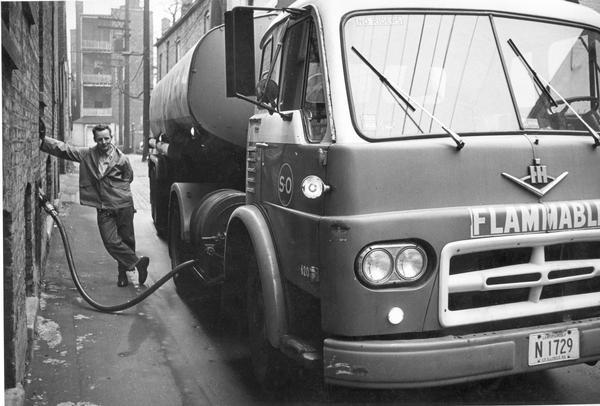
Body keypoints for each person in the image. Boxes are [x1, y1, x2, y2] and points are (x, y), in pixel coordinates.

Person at [40, 124, 149, 287]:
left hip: (123, 204)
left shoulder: (123, 159)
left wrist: (115, 188)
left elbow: (129, 177)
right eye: (100, 139)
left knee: (126, 240)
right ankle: (137, 263)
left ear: (111, 138)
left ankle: (122, 274)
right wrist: (43, 141)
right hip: (104, 206)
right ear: (95, 140)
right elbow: (66, 150)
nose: (104, 142)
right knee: (111, 241)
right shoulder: (88, 155)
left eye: (106, 138)